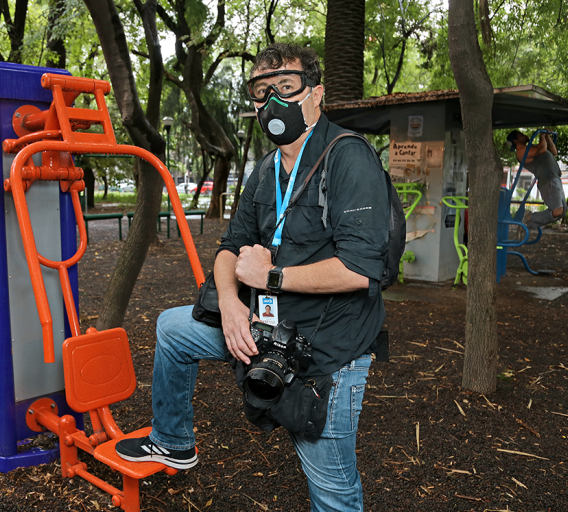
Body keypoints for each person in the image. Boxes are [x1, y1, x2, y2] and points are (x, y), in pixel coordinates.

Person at [116, 43, 390, 511]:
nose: (274, 102)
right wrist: (228, 302)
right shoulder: (265, 170)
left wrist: (271, 277)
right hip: (266, 328)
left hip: (328, 347)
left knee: (332, 490)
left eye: (287, 87)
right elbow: (228, 247)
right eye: (264, 92)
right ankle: (174, 440)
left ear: (316, 94)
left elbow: (361, 269)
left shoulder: (349, 157)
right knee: (173, 329)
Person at [506, 130, 567, 231]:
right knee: (557, 211)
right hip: (548, 180)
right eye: (521, 135)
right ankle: (528, 217)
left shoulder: (531, 147)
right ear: (515, 141)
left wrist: (547, 137)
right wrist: (542, 136)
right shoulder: (521, 152)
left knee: (562, 212)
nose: (525, 135)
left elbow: (553, 152)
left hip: (554, 177)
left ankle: (527, 226)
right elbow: (542, 149)